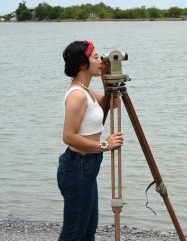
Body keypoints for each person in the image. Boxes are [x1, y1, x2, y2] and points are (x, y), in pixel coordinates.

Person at [57, 40, 123, 241]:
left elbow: (113, 103)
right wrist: (105, 145)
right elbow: (69, 137)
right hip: (77, 167)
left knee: (87, 231)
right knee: (74, 233)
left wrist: (106, 77)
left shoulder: (85, 90)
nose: (99, 60)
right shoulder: (77, 95)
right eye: (95, 57)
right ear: (82, 65)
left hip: (87, 167)